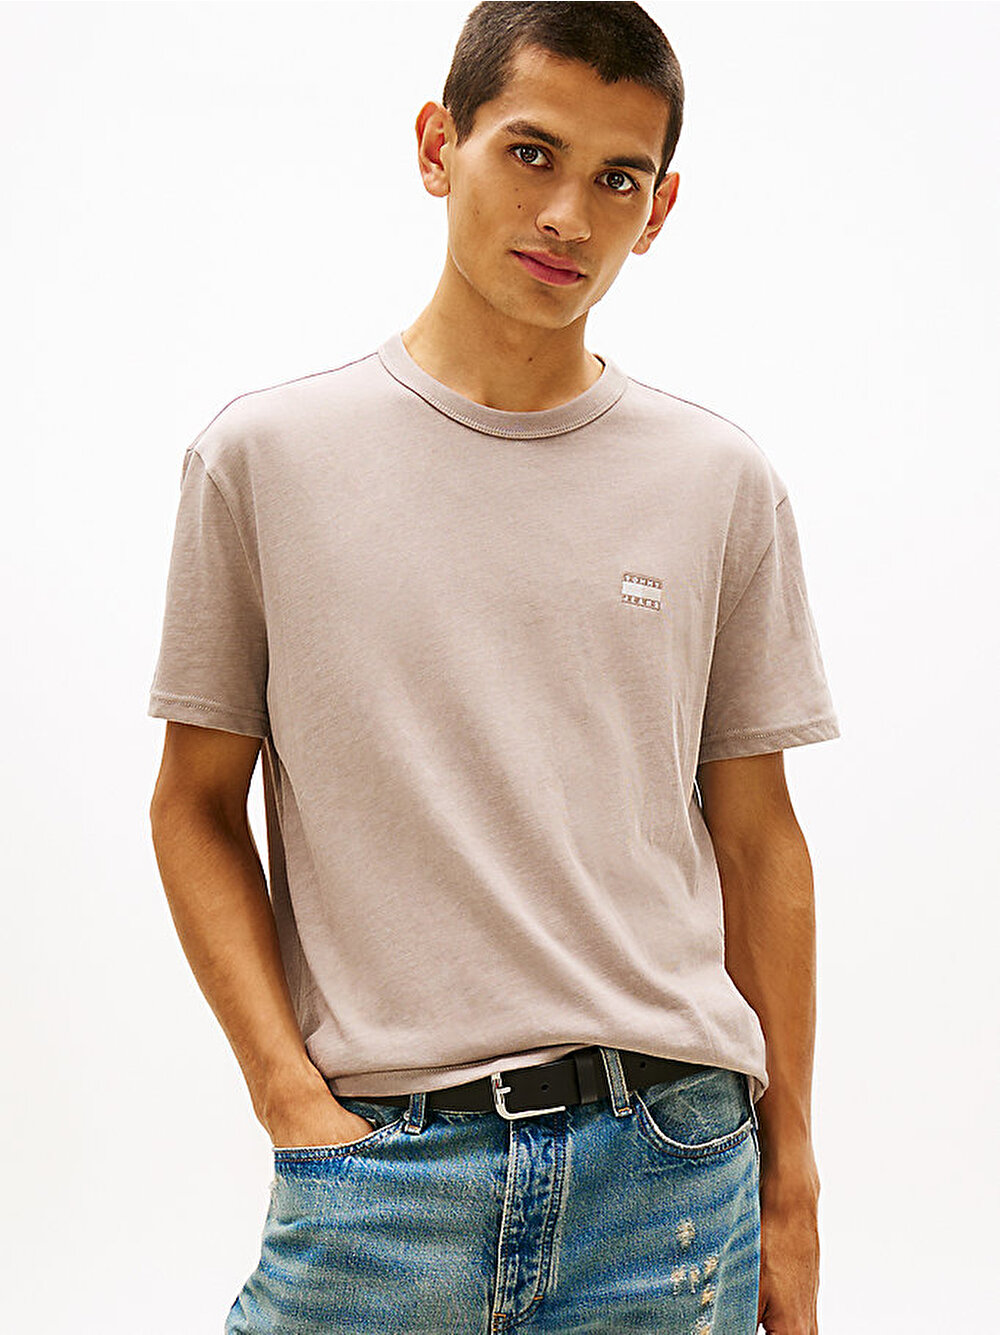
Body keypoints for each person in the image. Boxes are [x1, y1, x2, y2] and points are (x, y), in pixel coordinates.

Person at [147, 4, 839, 1332]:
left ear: (661, 207)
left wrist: (792, 1183)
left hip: (670, 1166)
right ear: (437, 145)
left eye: (618, 178)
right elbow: (192, 805)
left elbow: (760, 841)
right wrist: (286, 1094)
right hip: (380, 1173)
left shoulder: (717, 482)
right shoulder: (264, 462)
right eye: (531, 154)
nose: (570, 215)